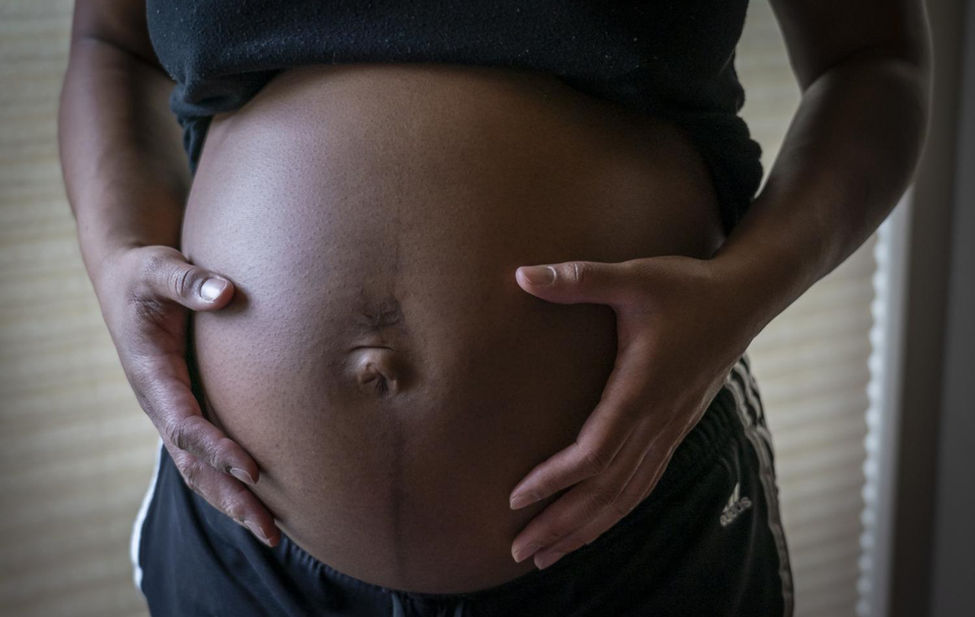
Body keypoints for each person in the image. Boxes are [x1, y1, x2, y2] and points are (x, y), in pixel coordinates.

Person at [57, 1, 930, 615]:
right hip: (245, 539)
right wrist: (116, 263)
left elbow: (872, 61)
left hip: (629, 534)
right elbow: (110, 42)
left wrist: (739, 296)